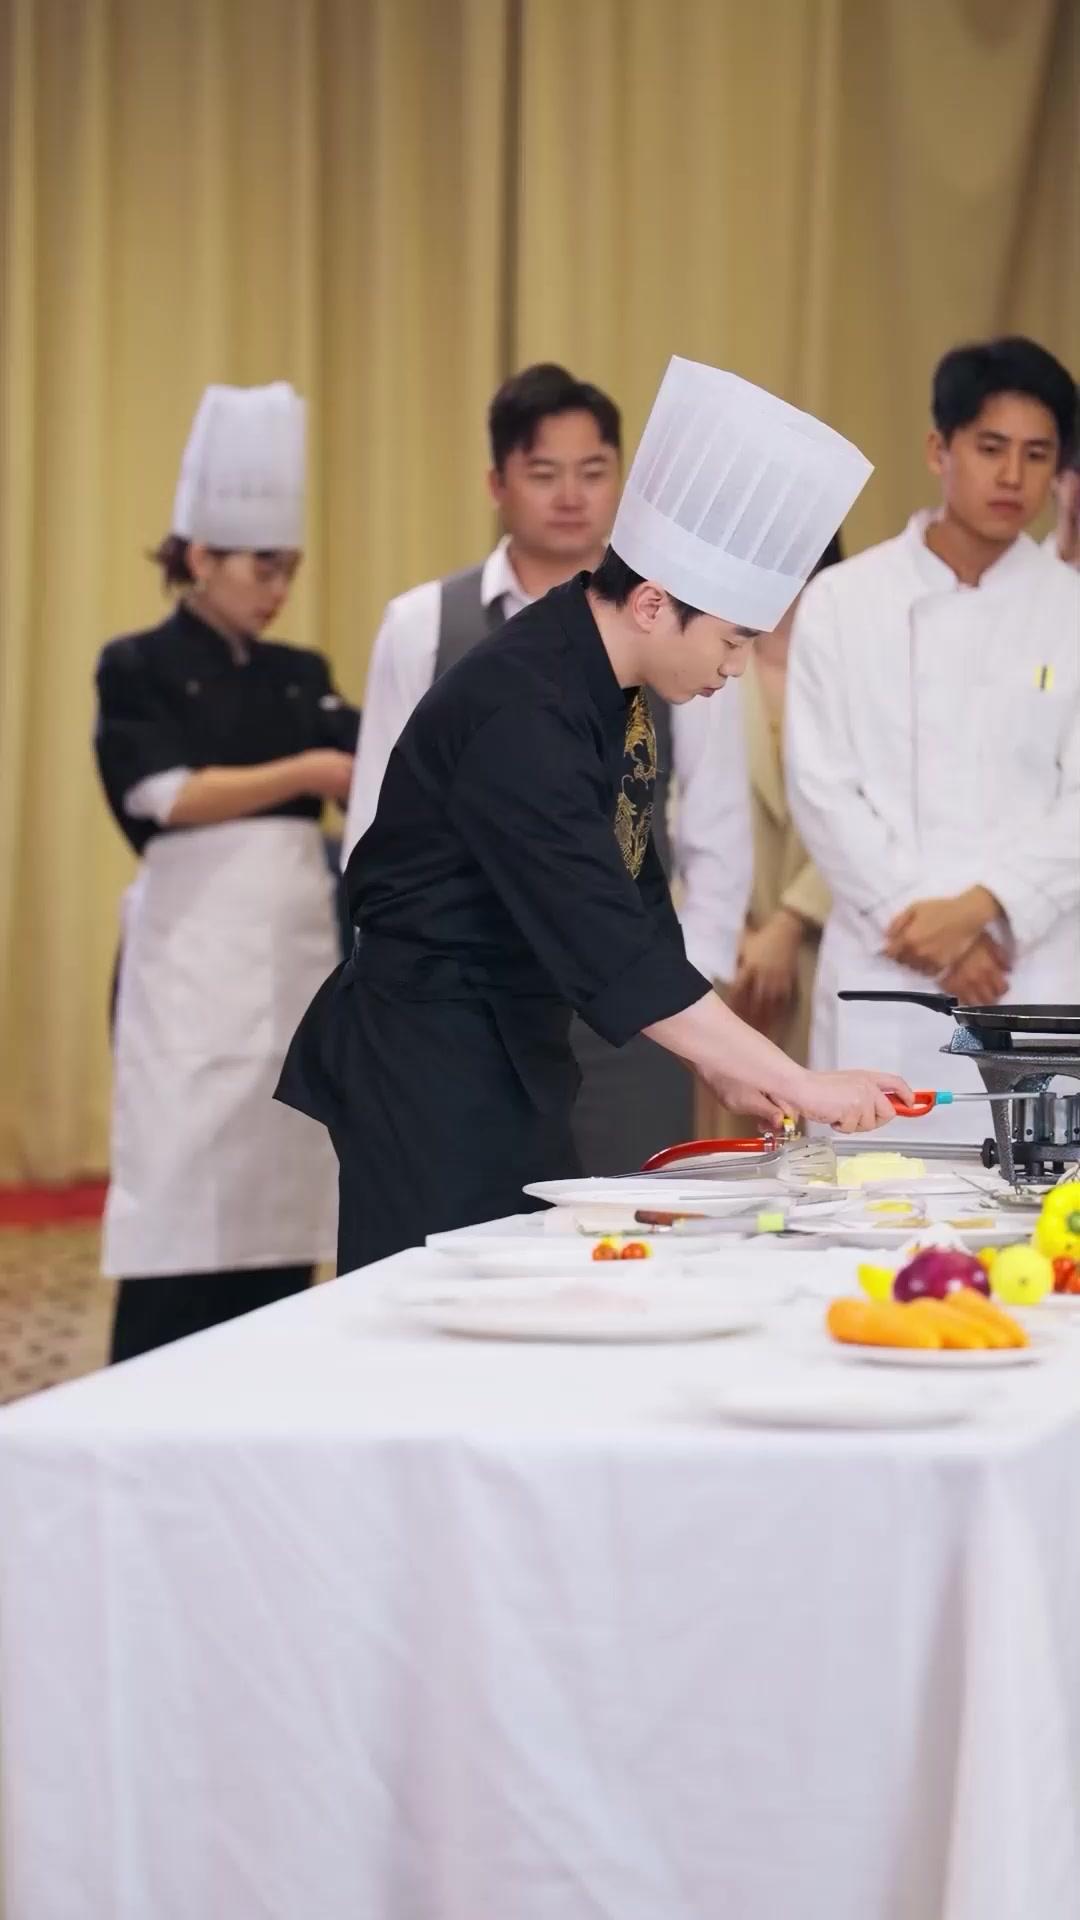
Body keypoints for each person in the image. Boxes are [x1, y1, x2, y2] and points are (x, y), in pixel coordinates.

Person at [277, 356, 909, 1272]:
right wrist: (790, 1078)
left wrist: (726, 1059)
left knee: (530, 1297)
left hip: (513, 1047)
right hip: (428, 1059)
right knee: (429, 1319)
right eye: (733, 640)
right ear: (654, 603)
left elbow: (637, 892)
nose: (737, 669)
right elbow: (598, 928)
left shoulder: (616, 686)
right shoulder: (521, 707)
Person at [341, 362, 750, 1173]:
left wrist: (692, 1006)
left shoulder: (679, 646)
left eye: (594, 472)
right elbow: (377, 823)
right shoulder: (439, 634)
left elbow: (706, 828)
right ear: (498, 482)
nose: (571, 495)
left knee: (635, 1234)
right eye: (544, 473)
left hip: (633, 1002)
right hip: (469, 1009)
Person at [94, 383, 360, 1360]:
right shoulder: (137, 665)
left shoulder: (301, 671)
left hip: (288, 963)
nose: (277, 588)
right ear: (199, 556)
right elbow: (161, 794)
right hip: (187, 969)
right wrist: (304, 771)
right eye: (260, 566)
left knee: (278, 1201)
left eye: (288, 568)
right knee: (177, 1193)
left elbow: (375, 762)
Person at [786, 336, 1080, 1144]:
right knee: (864, 1216)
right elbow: (821, 786)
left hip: (1032, 966)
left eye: (1035, 454)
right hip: (886, 969)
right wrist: (929, 932)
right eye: (990, 449)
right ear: (938, 449)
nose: (1012, 477)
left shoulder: (1071, 607)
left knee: (1035, 1230)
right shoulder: (845, 600)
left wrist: (987, 909)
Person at [704, 537, 843, 1138]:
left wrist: (790, 923)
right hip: (720, 948)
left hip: (829, 930)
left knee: (819, 1127)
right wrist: (729, 930)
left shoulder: (853, 660)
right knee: (725, 1135)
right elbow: (674, 804)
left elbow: (871, 803)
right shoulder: (707, 654)